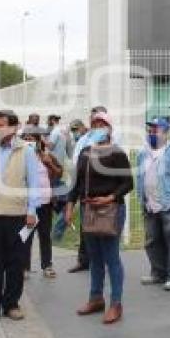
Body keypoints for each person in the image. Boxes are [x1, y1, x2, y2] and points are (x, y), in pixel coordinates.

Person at [65, 111, 133, 324]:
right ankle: (96, 299)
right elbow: (76, 184)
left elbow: (128, 183)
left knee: (111, 257)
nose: (97, 126)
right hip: (89, 210)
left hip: (111, 210)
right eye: (94, 123)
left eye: (102, 123)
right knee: (94, 257)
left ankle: (116, 303)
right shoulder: (85, 152)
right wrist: (69, 206)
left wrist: (109, 198)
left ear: (110, 128)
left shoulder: (117, 153)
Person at [0, 110, 40, 325]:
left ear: (13, 127)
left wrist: (32, 211)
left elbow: (34, 183)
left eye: (1, 124)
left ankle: (11, 304)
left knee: (15, 262)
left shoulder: (26, 151)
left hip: (17, 216)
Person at [136, 118, 170, 291]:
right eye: (150, 130)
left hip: (169, 205)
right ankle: (158, 273)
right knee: (152, 241)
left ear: (166, 133)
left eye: (156, 130)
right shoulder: (142, 153)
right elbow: (140, 177)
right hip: (150, 205)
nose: (152, 133)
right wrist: (142, 200)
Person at [67, 106, 115, 274]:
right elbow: (75, 163)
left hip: (105, 191)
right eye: (93, 120)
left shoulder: (112, 139)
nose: (95, 124)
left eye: (99, 121)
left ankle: (106, 261)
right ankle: (84, 260)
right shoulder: (83, 139)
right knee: (85, 227)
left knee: (106, 227)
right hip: (85, 189)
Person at [21, 127, 61, 279]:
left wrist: (49, 164)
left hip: (45, 202)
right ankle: (24, 267)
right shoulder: (19, 157)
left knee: (45, 235)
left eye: (32, 138)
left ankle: (47, 265)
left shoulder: (46, 155)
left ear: (39, 141)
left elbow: (59, 173)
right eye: (26, 138)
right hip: (27, 204)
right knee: (26, 235)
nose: (29, 141)